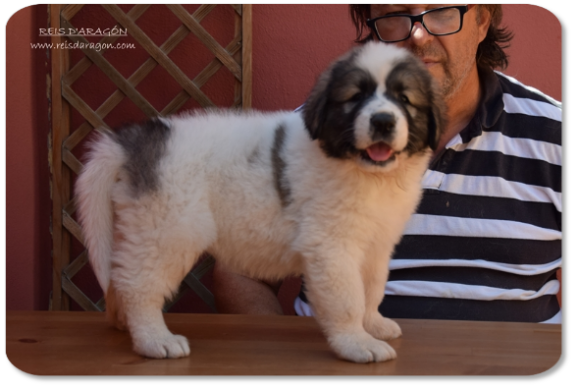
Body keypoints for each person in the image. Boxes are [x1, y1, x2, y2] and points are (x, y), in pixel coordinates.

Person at [212, 4, 562, 323]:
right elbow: (240, 270)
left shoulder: (557, 136)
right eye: (395, 13)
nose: (418, 34)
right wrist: (285, 365)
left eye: (441, 11)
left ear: (482, 21)